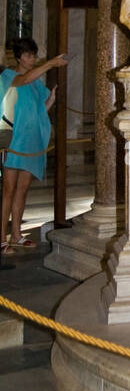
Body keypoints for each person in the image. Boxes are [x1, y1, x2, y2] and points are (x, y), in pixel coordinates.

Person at [0, 40, 67, 251]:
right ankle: (2, 238)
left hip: (32, 141)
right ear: (19, 57)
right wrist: (50, 64)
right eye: (28, 56)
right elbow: (24, 79)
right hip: (14, 141)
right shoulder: (9, 76)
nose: (32, 59)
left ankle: (17, 234)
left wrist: (51, 100)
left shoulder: (38, 84)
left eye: (34, 55)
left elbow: (39, 111)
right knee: (8, 190)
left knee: (22, 189)